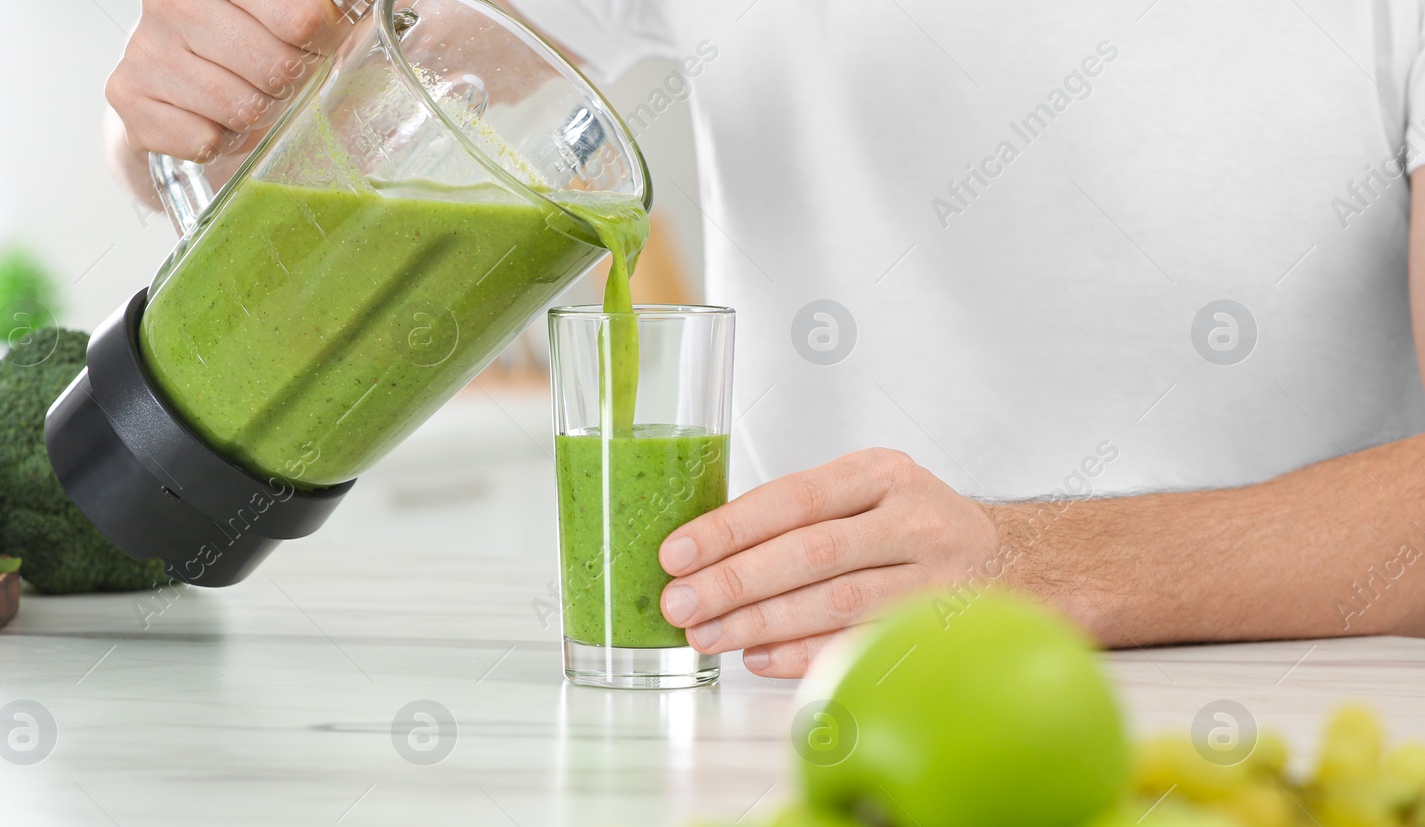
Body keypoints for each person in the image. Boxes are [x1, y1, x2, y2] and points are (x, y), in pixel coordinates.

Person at [104, 0, 1425, 678]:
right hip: (793, 732)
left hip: (1302, 745)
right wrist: (212, 92)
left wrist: (1034, 562)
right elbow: (388, 92)